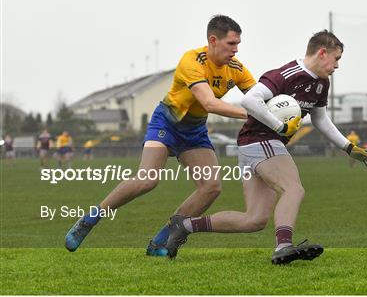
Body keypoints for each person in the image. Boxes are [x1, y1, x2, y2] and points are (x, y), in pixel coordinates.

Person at [164, 30, 367, 265]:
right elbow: (249, 100)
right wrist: (280, 126)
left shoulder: (321, 84)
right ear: (322, 53)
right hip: (261, 139)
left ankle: (184, 225)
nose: (337, 66)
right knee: (293, 189)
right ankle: (283, 247)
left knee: (254, 220)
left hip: (254, 144)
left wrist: (348, 147)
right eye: (336, 59)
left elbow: (319, 119)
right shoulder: (286, 74)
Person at [64, 15, 256, 254]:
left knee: (211, 187)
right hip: (167, 121)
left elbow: (261, 98)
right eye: (231, 44)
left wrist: (286, 110)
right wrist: (252, 115)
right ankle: (90, 219)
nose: (236, 50)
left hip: (194, 130)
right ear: (213, 40)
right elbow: (209, 103)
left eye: (238, 44)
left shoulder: (236, 69)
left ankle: (161, 241)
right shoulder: (192, 60)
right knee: (147, 180)